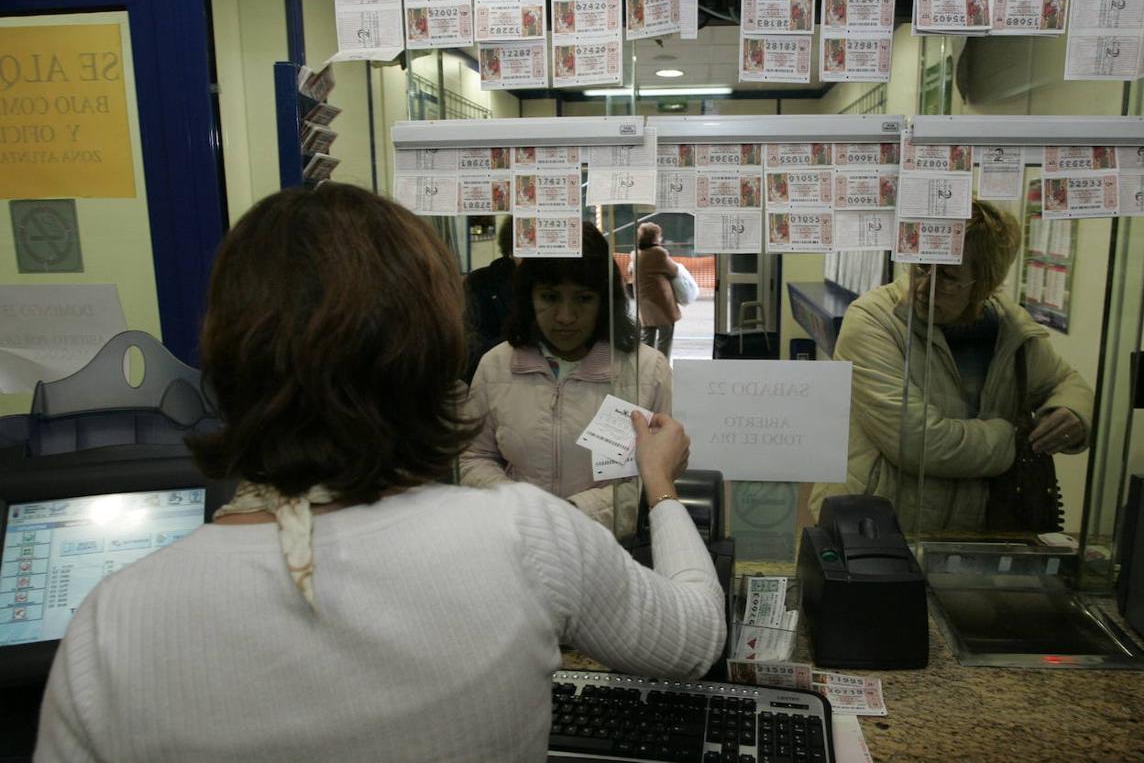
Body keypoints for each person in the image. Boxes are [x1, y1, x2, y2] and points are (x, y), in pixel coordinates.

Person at [35, 184, 724, 762]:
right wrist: (660, 484)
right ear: (431, 350)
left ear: (224, 356)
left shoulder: (108, 627)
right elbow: (694, 638)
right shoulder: (526, 537)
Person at [809, 200, 1094, 532]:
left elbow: (1064, 381)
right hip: (873, 526)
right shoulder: (874, 321)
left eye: (947, 276)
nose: (924, 287)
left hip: (968, 533)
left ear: (985, 285)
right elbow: (916, 441)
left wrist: (1073, 412)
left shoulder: (1009, 327)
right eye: (920, 266)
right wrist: (1014, 439)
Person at [461, 221, 672, 530]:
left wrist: (572, 514)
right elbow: (473, 456)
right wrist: (520, 506)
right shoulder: (496, 365)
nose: (565, 316)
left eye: (584, 299)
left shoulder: (646, 370)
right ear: (528, 298)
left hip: (607, 548)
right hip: (517, 538)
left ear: (605, 302)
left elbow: (653, 473)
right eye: (549, 297)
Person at [463, 216, 516, 382]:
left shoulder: (558, 286)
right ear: (510, 252)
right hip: (494, 378)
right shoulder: (483, 283)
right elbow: (470, 348)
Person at [632, 221, 683, 358]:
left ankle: (646, 365)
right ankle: (662, 365)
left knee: (648, 335)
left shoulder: (636, 254)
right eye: (659, 235)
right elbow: (674, 270)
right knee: (665, 335)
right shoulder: (658, 253)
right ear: (655, 237)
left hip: (644, 300)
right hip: (661, 301)